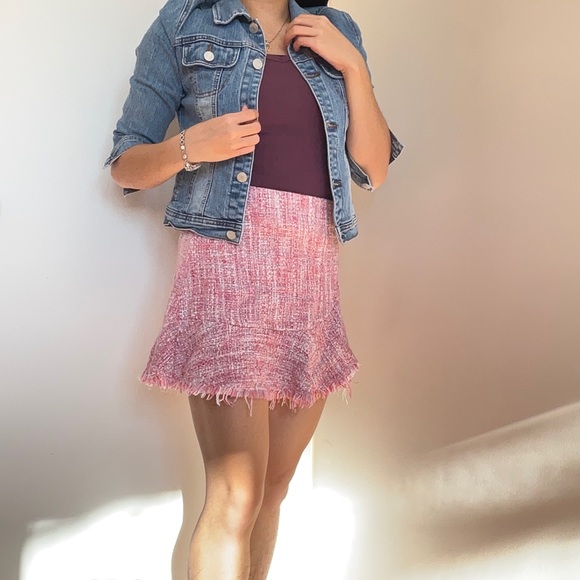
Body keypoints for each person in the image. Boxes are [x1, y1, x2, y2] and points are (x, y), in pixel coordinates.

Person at [105, 0, 403, 577]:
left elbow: (373, 167)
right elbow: (125, 163)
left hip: (310, 273)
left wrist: (353, 67)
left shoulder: (336, 29)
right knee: (236, 494)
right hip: (227, 266)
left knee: (273, 489)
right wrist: (190, 147)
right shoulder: (184, 22)